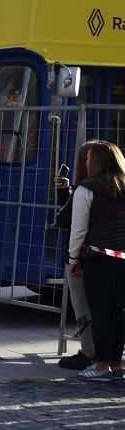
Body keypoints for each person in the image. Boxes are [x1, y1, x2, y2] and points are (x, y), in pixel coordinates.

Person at [68, 141, 125, 382]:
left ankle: (101, 367)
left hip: (98, 256)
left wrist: (73, 258)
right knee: (117, 311)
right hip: (123, 257)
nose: (87, 162)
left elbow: (78, 230)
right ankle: (115, 362)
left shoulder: (86, 189)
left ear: (98, 161)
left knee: (99, 311)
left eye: (90, 158)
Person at [54, 142, 96, 370]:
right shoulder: (116, 186)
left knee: (83, 307)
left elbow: (69, 222)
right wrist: (66, 193)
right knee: (109, 309)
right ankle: (106, 356)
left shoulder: (86, 189)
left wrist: (72, 259)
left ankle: (90, 353)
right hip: (109, 256)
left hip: (84, 257)